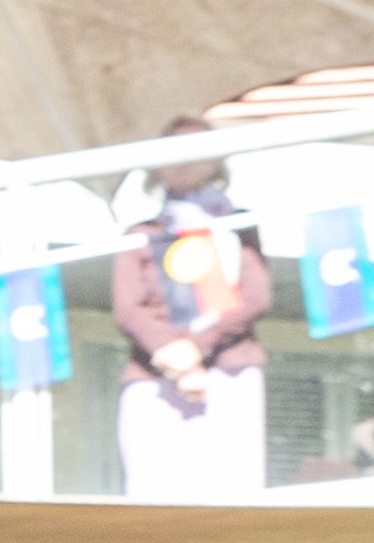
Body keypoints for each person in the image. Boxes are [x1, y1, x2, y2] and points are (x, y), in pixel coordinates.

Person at [112, 120, 272, 500]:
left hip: (229, 372)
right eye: (174, 152)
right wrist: (172, 353)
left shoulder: (238, 226)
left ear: (216, 162)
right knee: (155, 491)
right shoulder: (141, 234)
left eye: (196, 151)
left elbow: (255, 296)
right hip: (154, 375)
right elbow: (128, 306)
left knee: (233, 491)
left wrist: (194, 350)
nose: (184, 162)